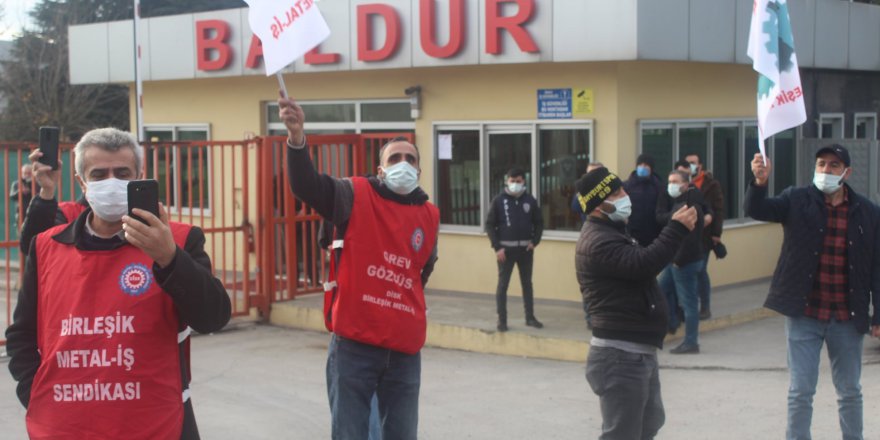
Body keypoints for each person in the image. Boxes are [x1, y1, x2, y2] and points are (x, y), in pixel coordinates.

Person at [5, 127, 231, 439]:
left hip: (157, 423)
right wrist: (36, 394)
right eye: (99, 175)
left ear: (140, 176)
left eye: (122, 173)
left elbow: (212, 318)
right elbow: (22, 335)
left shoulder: (179, 240)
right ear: (82, 183)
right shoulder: (47, 246)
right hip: (67, 426)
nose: (111, 182)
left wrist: (169, 258)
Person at [279, 94, 439, 440]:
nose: (403, 163)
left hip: (404, 351)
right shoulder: (354, 194)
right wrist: (296, 137)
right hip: (355, 346)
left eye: (410, 159)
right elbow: (306, 186)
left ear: (419, 171)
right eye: (394, 158)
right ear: (381, 169)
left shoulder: (429, 215)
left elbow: (422, 271)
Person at [746, 144, 880, 440]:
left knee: (849, 391)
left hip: (847, 317)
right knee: (801, 390)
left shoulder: (868, 212)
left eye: (834, 165)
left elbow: (876, 268)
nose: (826, 170)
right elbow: (757, 210)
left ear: (847, 172)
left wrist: (878, 316)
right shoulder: (796, 199)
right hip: (805, 314)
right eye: (821, 164)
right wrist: (759, 182)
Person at [575, 166, 697, 439]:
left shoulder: (614, 231)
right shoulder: (598, 241)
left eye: (622, 189)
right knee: (623, 434)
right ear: (599, 205)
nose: (624, 195)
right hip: (619, 357)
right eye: (616, 192)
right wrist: (676, 229)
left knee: (649, 424)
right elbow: (643, 264)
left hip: (636, 353)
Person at [656, 170, 710, 354]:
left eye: (675, 181)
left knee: (689, 303)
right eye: (669, 181)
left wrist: (678, 261)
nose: (671, 185)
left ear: (686, 184)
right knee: (659, 291)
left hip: (684, 262)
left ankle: (691, 342)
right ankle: (666, 326)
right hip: (675, 261)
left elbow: (690, 238)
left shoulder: (689, 206)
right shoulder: (680, 202)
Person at [486, 168, 544, 332]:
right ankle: (502, 320)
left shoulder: (530, 200)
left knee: (527, 285)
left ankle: (530, 318)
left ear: (524, 181)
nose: (515, 184)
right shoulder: (499, 200)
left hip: (526, 250)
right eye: (512, 181)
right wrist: (497, 247)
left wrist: (535, 241)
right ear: (507, 181)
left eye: (518, 181)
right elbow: (489, 225)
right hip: (505, 252)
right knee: (503, 285)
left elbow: (539, 222)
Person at [18, 148, 90, 256]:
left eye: (118, 173)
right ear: (81, 181)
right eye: (99, 174)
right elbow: (32, 247)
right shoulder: (67, 213)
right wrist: (47, 191)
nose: (110, 180)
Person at [684, 153, 724, 320]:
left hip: (705, 236)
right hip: (686, 236)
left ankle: (705, 307)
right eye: (688, 163)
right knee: (688, 272)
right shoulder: (683, 183)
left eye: (693, 163)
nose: (691, 166)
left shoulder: (711, 184)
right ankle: (687, 307)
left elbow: (718, 209)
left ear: (700, 165)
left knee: (700, 271)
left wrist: (716, 233)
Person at [623, 154, 663, 247]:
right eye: (640, 165)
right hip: (632, 231)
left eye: (646, 165)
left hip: (653, 232)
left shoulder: (658, 186)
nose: (642, 167)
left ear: (651, 168)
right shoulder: (627, 185)